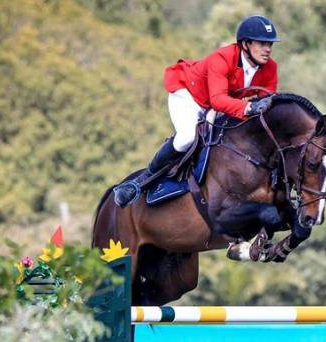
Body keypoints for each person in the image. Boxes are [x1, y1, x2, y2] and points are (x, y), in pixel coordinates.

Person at [114, 15, 281, 208]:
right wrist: (249, 107)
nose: (267, 49)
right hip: (189, 95)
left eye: (270, 44)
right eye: (262, 43)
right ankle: (140, 182)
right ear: (245, 44)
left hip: (217, 104)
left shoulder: (270, 68)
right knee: (187, 137)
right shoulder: (222, 58)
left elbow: (267, 102)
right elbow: (219, 100)